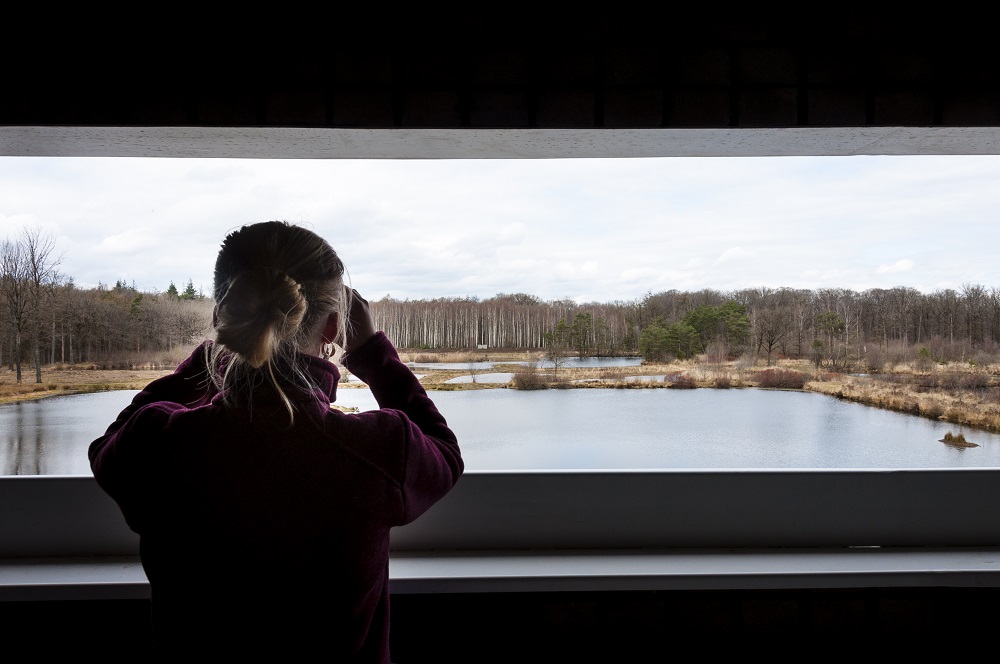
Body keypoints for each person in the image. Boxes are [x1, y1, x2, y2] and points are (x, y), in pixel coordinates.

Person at [89, 221, 463, 660]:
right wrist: (373, 355)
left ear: (223, 321)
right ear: (333, 330)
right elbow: (445, 454)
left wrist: (211, 358)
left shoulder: (159, 444)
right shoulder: (378, 450)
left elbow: (109, 448)